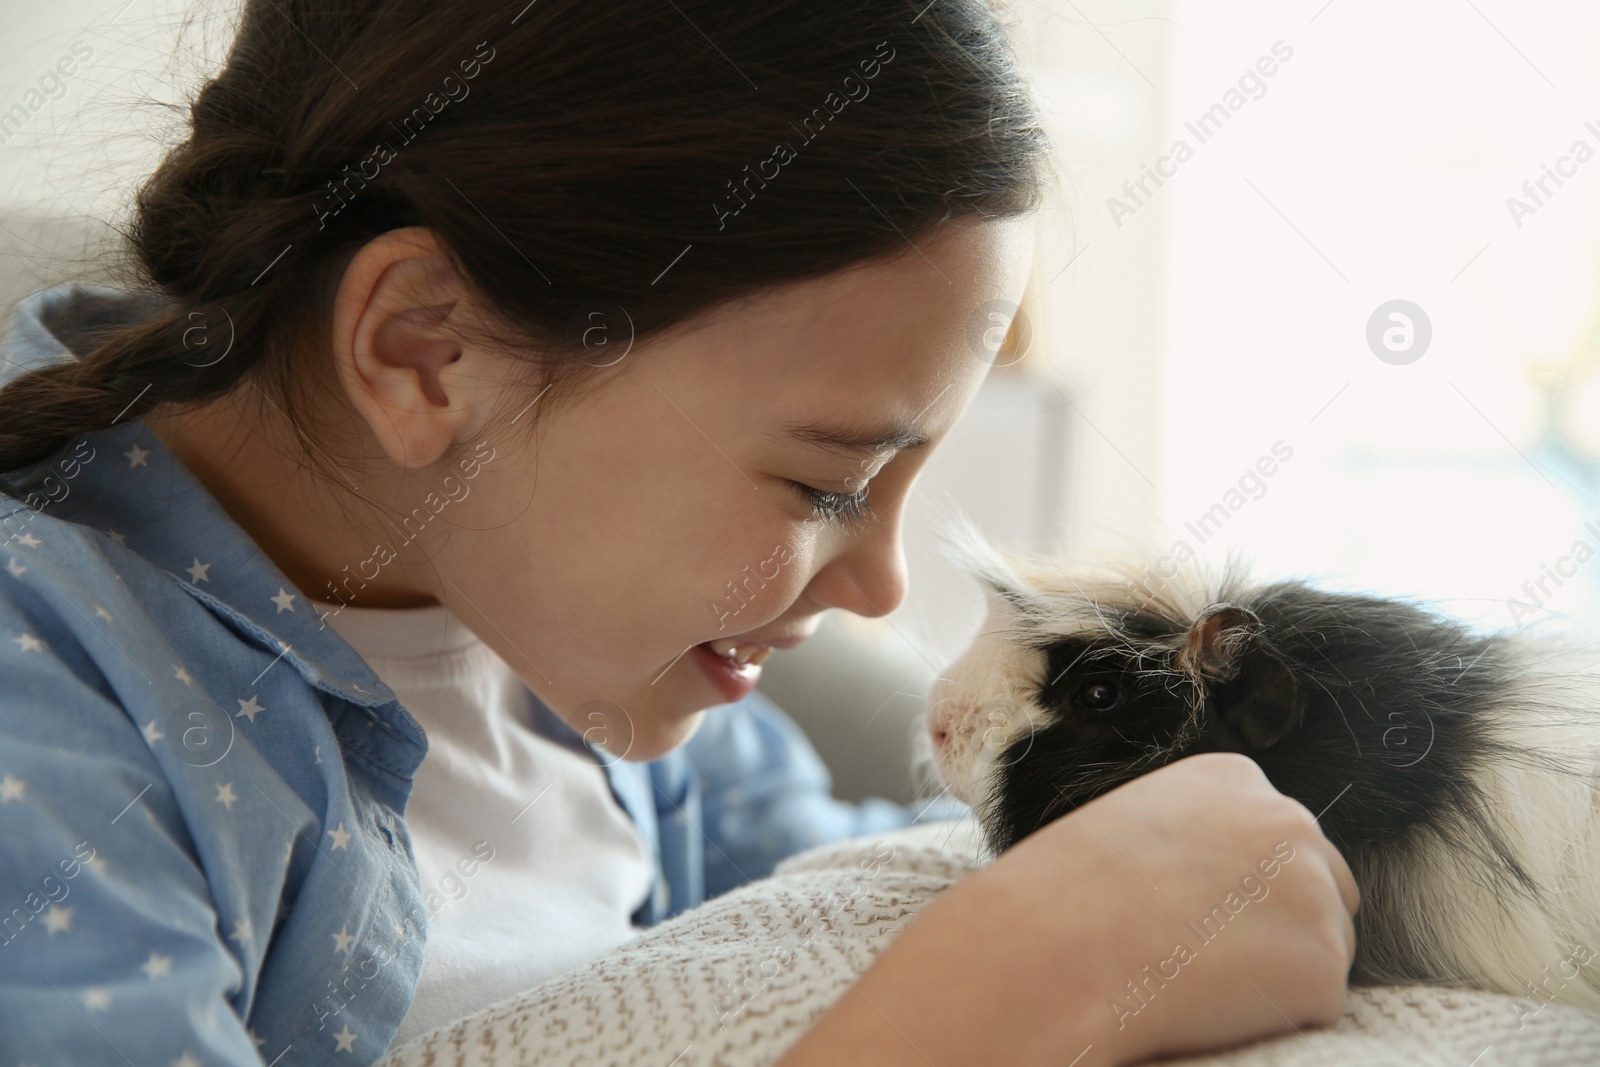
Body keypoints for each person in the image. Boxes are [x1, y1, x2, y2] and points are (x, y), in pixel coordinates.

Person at [0, 1, 1359, 1065]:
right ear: (427, 352)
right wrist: (1007, 1003)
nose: (883, 588)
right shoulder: (53, 708)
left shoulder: (562, 640)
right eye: (828, 486)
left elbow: (823, 884)